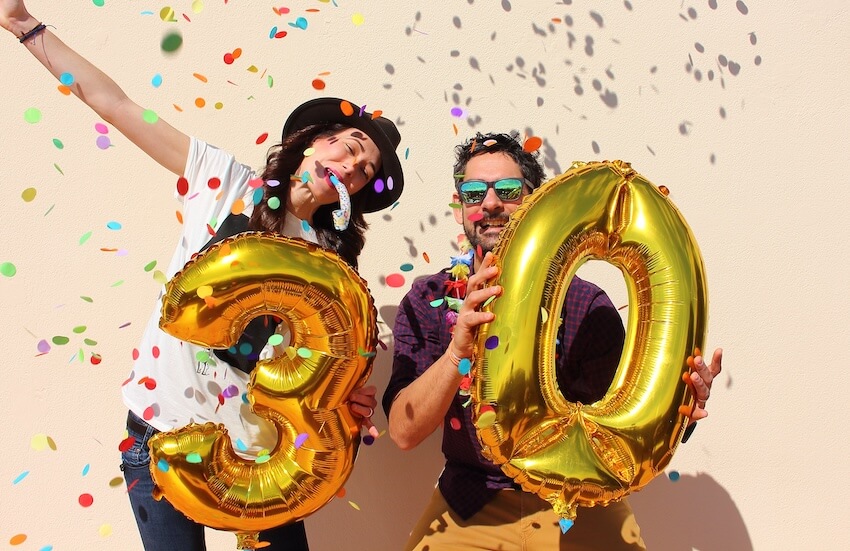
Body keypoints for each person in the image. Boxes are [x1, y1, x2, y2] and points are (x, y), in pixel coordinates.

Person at [3, 3, 403, 550]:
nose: (353, 168)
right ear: (314, 141)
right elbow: (115, 104)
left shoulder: (329, 268)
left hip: (264, 458)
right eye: (350, 148)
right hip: (160, 432)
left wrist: (349, 400)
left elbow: (313, 370)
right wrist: (26, 26)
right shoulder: (224, 182)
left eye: (364, 173)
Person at [383, 131, 722, 550]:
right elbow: (403, 432)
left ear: (535, 203)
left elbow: (627, 430)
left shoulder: (587, 304)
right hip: (470, 501)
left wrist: (680, 407)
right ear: (460, 209)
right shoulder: (429, 300)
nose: (489, 204)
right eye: (473, 193)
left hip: (579, 503)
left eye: (507, 190)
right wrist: (458, 349)